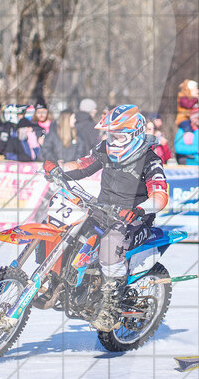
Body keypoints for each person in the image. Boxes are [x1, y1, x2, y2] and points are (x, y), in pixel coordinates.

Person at [47, 105, 169, 332]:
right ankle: (55, 281)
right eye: (110, 135)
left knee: (111, 245)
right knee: (69, 229)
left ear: (134, 135)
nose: (112, 141)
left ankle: (111, 307)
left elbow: (160, 195)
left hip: (134, 220)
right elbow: (84, 165)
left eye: (118, 136)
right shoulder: (105, 148)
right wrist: (59, 168)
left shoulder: (150, 160)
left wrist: (140, 210)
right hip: (103, 211)